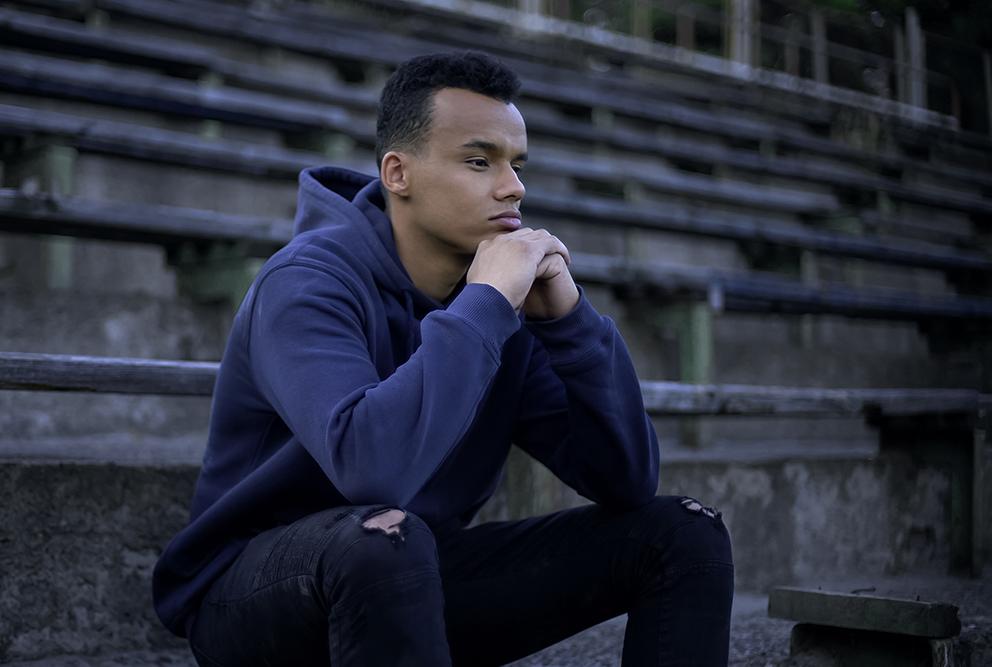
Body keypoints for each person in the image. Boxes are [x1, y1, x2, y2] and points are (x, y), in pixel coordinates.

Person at [152, 50, 734, 666]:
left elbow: (625, 480)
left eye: (517, 164)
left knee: (681, 531)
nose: (513, 187)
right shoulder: (307, 281)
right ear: (398, 173)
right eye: (480, 162)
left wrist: (571, 323)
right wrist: (485, 305)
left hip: (409, 579)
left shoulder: (500, 305)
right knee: (382, 536)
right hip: (256, 596)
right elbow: (372, 470)